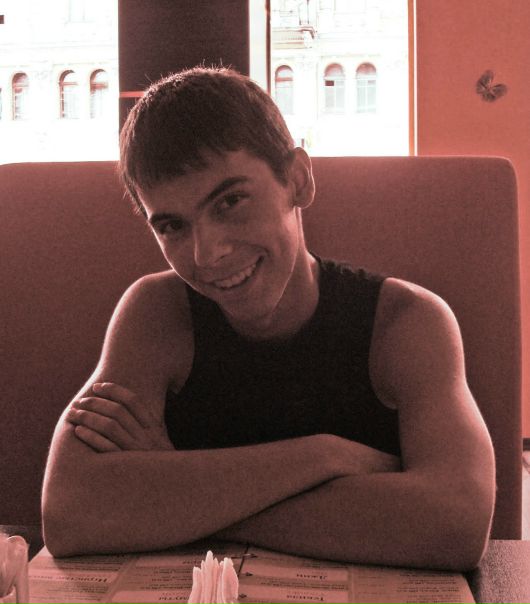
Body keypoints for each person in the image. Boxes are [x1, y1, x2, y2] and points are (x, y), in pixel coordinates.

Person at [42, 66, 495, 570]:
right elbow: (69, 513)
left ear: (297, 180)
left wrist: (177, 492)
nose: (208, 253)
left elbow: (457, 524)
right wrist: (324, 456)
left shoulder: (404, 322)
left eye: (230, 201)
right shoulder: (158, 314)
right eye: (171, 226)